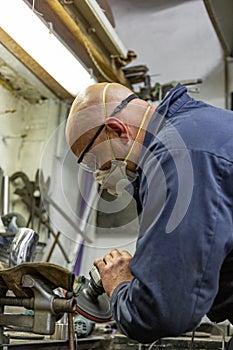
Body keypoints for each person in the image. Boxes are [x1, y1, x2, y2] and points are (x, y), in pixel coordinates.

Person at [65, 82, 233, 344]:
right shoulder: (194, 130)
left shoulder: (177, 155)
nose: (98, 175)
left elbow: (160, 311)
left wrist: (119, 285)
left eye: (93, 162)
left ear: (117, 130)